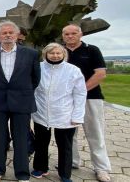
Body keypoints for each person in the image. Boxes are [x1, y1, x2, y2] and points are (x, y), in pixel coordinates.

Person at [0, 20, 40, 182]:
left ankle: (22, 173)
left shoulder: (31, 54)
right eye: (4, 33)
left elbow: (35, 79)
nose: (7, 35)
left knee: (21, 138)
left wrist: (21, 90)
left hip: (22, 101)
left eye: (10, 33)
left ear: (17, 35)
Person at [63, 24, 112, 182]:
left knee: (95, 133)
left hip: (91, 98)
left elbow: (100, 74)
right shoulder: (60, 52)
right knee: (70, 134)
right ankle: (72, 161)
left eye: (73, 33)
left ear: (81, 34)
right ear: (63, 36)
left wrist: (81, 91)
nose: (70, 36)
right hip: (67, 99)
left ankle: (101, 168)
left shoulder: (92, 50)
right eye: (67, 34)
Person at [31, 43, 87, 182]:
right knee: (41, 143)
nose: (55, 56)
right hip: (41, 112)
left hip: (65, 114)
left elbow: (80, 94)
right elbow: (32, 89)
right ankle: (40, 167)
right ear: (45, 54)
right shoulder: (38, 68)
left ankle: (65, 174)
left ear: (63, 54)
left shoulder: (73, 70)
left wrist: (77, 116)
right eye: (52, 53)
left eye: (58, 53)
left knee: (65, 146)